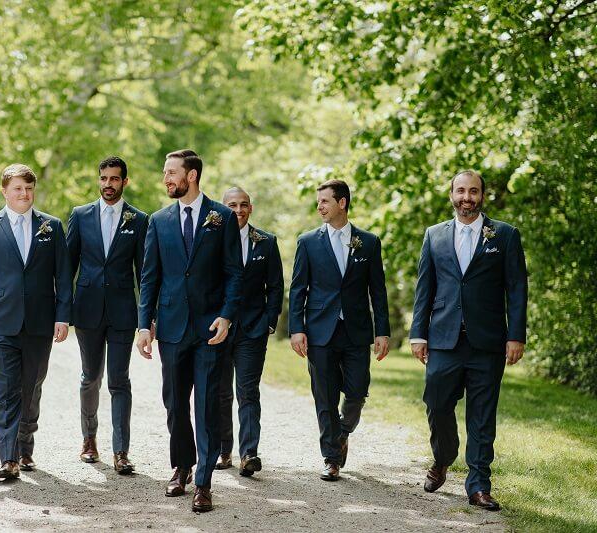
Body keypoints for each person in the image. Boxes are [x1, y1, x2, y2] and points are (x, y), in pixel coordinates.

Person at [410, 169, 527, 511]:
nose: (466, 197)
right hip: (443, 338)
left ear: (482, 196)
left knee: (482, 414)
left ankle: (478, 484)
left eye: (473, 191)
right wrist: (418, 333)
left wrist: (515, 335)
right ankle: (443, 457)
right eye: (460, 191)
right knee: (436, 402)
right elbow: (424, 288)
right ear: (451, 195)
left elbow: (517, 289)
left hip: (488, 341)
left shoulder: (504, 235)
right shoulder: (434, 235)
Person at [136, 149, 243, 512]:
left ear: (191, 175)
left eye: (171, 172)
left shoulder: (223, 217)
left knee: (208, 406)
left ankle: (203, 482)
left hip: (211, 329)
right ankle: (182, 465)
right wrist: (143, 325)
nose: (166, 178)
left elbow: (234, 273)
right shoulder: (159, 220)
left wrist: (226, 316)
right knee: (175, 402)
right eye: (165, 172)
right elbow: (149, 277)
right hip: (171, 326)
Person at [0, 163, 72, 480]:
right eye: (17, 189)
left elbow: (63, 277)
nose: (24, 194)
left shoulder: (51, 227)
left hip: (40, 324)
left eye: (28, 189)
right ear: (4, 191)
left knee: (31, 388)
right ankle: (8, 458)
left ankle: (25, 448)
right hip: (0, 322)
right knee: (7, 390)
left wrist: (63, 317)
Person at [289, 179, 390, 481]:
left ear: (342, 203)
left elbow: (378, 291)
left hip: (357, 331)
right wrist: (297, 328)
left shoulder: (368, 242)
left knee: (357, 390)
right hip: (320, 331)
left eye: (324, 201)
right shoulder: (307, 242)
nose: (319, 206)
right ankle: (331, 457)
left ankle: (342, 431)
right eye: (318, 202)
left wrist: (382, 331)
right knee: (325, 395)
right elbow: (298, 290)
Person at [67, 156, 148, 474]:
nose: (108, 184)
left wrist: (147, 319)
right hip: (86, 309)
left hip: (122, 312)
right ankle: (89, 440)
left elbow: (144, 273)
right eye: (103, 178)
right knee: (90, 378)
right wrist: (62, 311)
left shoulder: (138, 219)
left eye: (114, 179)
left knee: (119, 380)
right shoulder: (80, 215)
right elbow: (67, 267)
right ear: (98, 179)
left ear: (124, 182)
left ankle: (121, 451)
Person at [215, 186, 283, 477]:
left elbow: (277, 286)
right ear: (223, 208)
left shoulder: (266, 242)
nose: (238, 210)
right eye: (232, 205)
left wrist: (269, 321)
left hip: (253, 330)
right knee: (219, 393)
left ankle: (249, 453)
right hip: (218, 328)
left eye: (243, 205)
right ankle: (223, 450)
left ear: (251, 208)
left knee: (248, 392)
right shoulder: (212, 241)